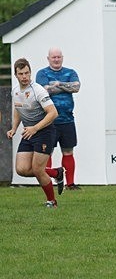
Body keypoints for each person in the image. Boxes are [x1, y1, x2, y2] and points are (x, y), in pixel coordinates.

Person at [7, 58, 64, 207]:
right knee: (22, 169)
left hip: (44, 131)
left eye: (27, 73)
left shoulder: (38, 90)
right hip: (29, 132)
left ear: (30, 73)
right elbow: (18, 109)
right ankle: (55, 173)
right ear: (16, 75)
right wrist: (14, 128)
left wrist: (35, 128)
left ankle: (52, 201)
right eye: (21, 74)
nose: (25, 76)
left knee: (38, 170)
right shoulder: (16, 92)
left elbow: (53, 113)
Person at [36, 47, 81, 190]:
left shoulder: (71, 72)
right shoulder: (42, 73)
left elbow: (77, 87)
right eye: (53, 57)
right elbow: (44, 90)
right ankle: (47, 182)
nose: (56, 59)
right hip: (48, 121)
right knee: (46, 152)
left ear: (62, 57)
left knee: (68, 151)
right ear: (48, 58)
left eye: (58, 57)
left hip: (67, 119)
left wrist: (58, 84)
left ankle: (70, 184)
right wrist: (65, 86)